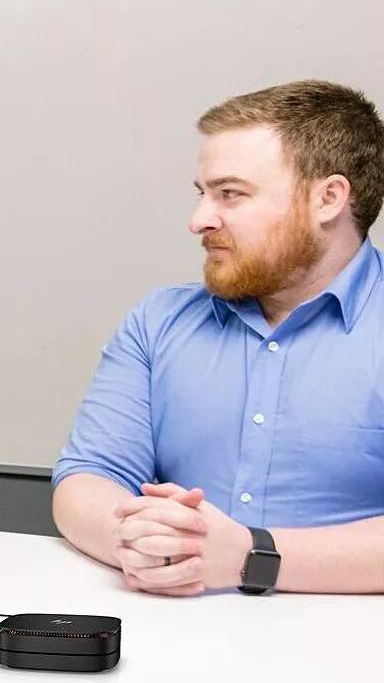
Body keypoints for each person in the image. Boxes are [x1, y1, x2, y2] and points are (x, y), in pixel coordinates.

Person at [53, 80, 384, 596]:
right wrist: (129, 538)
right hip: (172, 631)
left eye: (231, 194)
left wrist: (254, 558)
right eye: (202, 194)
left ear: (328, 199)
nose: (199, 220)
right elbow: (88, 475)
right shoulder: (159, 320)